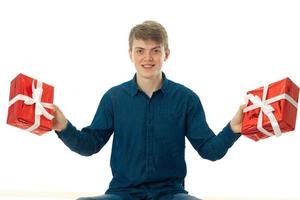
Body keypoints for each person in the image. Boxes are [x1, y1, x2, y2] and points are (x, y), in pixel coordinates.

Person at [52, 20, 245, 200]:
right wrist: (63, 126)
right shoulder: (114, 98)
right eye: (140, 51)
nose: (147, 58)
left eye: (155, 50)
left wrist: (233, 129)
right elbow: (89, 145)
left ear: (166, 54)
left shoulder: (186, 99)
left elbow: (209, 150)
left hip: (170, 194)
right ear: (131, 54)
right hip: (123, 194)